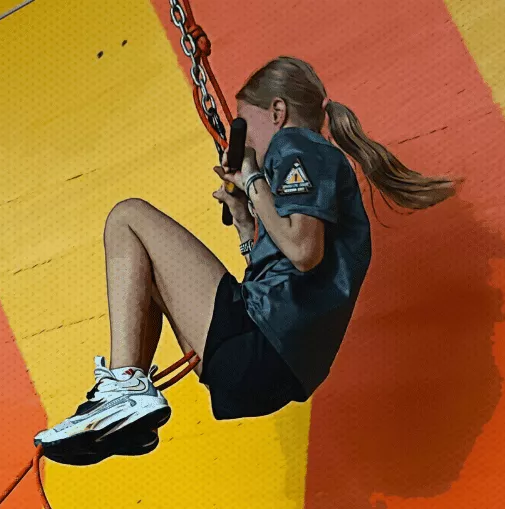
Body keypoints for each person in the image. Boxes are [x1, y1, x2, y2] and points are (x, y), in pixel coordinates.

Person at [33, 56, 457, 465]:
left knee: (127, 217)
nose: (245, 142)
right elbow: (283, 274)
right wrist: (243, 222)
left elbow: (305, 253)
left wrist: (253, 181)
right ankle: (130, 414)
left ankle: (125, 388)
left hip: (260, 350)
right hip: (272, 367)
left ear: (277, 111)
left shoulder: (297, 145)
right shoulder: (313, 165)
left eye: (244, 125)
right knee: (145, 274)